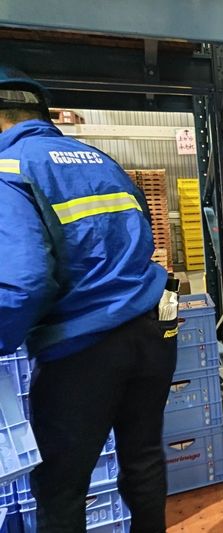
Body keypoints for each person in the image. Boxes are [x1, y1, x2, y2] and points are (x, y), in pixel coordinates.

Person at [0, 65, 178, 533]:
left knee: (61, 486)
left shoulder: (9, 169)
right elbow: (142, 236)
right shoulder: (100, 160)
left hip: (82, 348)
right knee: (143, 458)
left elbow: (23, 283)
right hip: (153, 329)